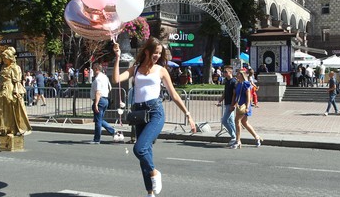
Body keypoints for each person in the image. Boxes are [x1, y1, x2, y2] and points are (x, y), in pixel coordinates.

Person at [112, 37, 196, 196]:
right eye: (155, 53)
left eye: (159, 53)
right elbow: (116, 79)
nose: (157, 56)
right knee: (146, 153)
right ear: (147, 51)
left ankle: (155, 172)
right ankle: (150, 193)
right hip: (139, 113)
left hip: (155, 112)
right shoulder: (135, 69)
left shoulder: (161, 70)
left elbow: (174, 94)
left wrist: (188, 115)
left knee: (139, 149)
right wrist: (117, 58)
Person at [0, 47, 32, 137]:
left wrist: (16, 91)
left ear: (10, 58)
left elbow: (17, 81)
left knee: (11, 110)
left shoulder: (15, 68)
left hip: (11, 89)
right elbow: (0, 80)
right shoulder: (3, 67)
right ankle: (3, 129)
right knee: (1, 110)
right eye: (3, 58)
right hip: (2, 89)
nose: (4, 60)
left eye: (5, 58)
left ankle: (12, 130)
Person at [230, 70, 262, 149]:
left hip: (244, 106)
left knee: (237, 121)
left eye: (238, 74)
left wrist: (247, 107)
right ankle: (257, 137)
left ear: (241, 75)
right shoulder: (238, 84)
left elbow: (248, 97)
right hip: (239, 106)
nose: (236, 75)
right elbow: (236, 96)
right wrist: (233, 104)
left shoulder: (246, 84)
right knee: (244, 123)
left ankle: (237, 141)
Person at [90, 62, 116, 144]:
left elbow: (98, 92)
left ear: (96, 69)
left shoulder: (98, 79)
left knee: (98, 121)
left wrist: (96, 103)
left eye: (93, 70)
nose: (93, 72)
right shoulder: (105, 77)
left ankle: (97, 139)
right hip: (105, 100)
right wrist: (106, 94)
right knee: (99, 119)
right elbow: (110, 87)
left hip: (100, 100)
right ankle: (113, 132)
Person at [216, 66, 237, 146]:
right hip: (227, 103)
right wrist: (220, 101)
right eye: (224, 72)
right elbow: (225, 92)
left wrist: (233, 105)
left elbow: (234, 95)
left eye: (225, 72)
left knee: (224, 120)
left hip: (230, 104)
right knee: (231, 122)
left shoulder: (234, 81)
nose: (224, 73)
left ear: (230, 72)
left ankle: (233, 136)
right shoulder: (227, 81)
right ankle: (236, 138)